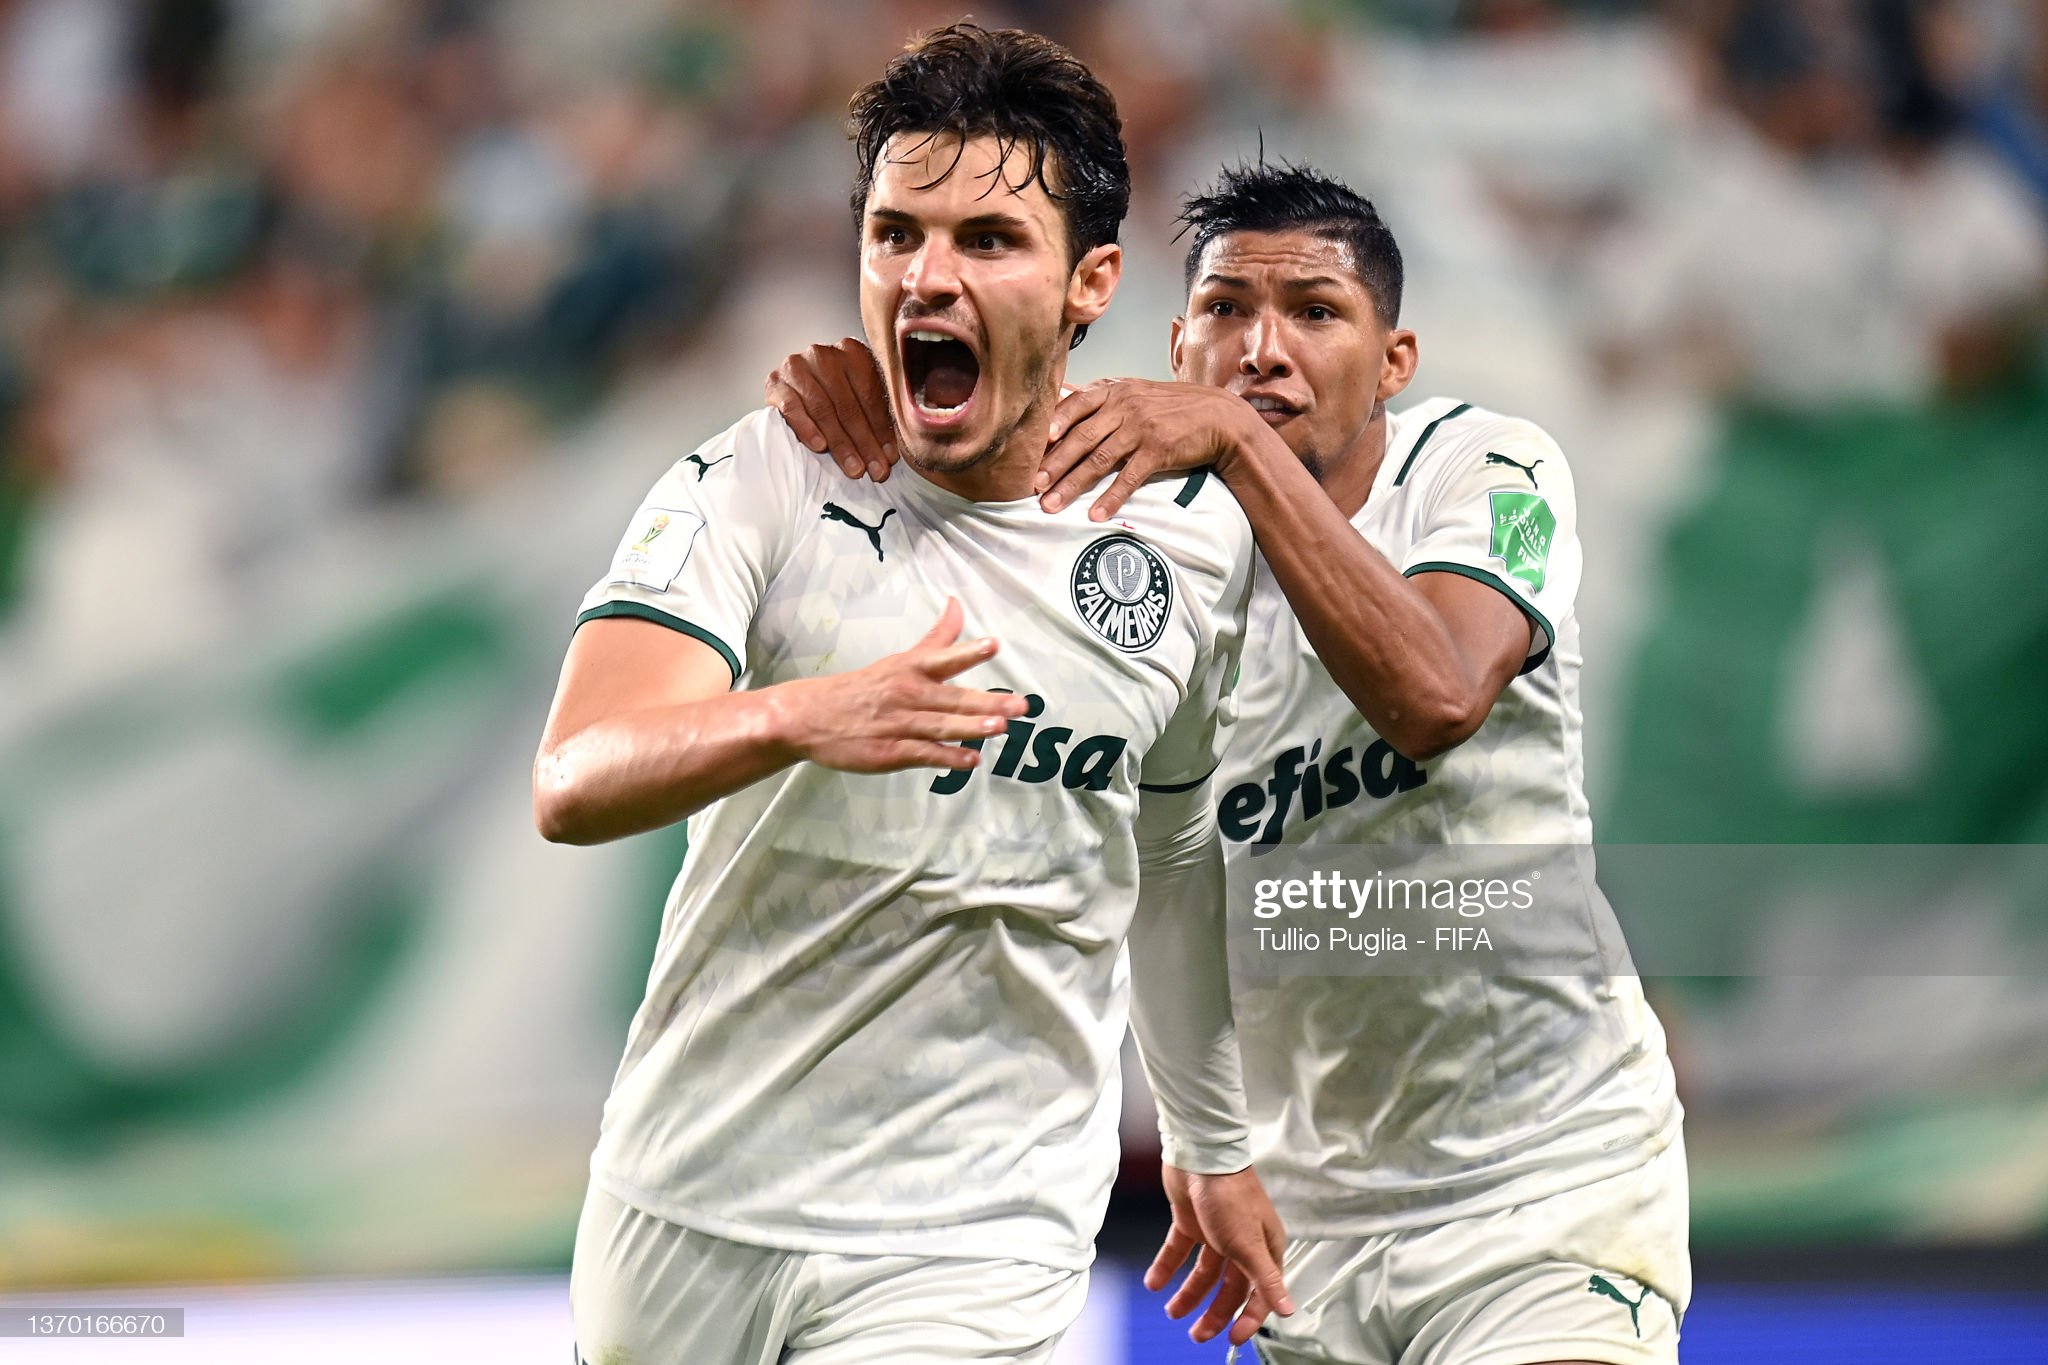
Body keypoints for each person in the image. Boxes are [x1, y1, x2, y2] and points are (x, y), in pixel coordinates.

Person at [768, 161, 1687, 1365]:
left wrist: (1235, 454)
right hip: (1301, 1233)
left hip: (1544, 1190)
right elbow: (1164, 872)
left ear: (1393, 360)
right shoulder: (1135, 569)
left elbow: (1437, 695)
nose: (1261, 350)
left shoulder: (1485, 470)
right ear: (1173, 343)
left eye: (1313, 313)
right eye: (1223, 313)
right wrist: (845, 408)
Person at [535, 26, 1292, 1365]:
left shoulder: (1186, 546)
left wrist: (1211, 1138)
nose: (928, 274)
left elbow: (1170, 850)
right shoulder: (762, 479)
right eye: (897, 233)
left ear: (1089, 283)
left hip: (975, 1231)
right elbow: (577, 776)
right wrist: (796, 716)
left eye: (989, 241)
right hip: (688, 1203)